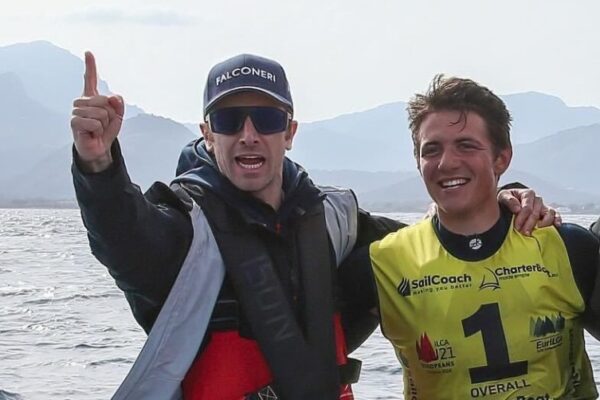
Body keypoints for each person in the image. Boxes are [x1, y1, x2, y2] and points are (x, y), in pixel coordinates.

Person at [70, 53, 553, 400]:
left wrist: (505, 198)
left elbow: (434, 239)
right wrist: (98, 165)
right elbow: (125, 241)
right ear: (207, 134)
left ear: (290, 132)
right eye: (229, 120)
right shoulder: (181, 229)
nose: (248, 134)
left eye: (266, 118)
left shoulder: (334, 221)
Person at [341, 75, 600, 399]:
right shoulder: (380, 265)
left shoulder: (569, 248)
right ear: (418, 163)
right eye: (431, 150)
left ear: (501, 157)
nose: (447, 162)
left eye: (466, 145)